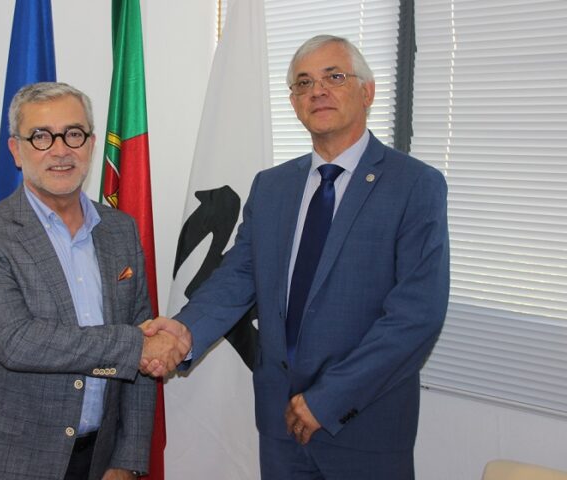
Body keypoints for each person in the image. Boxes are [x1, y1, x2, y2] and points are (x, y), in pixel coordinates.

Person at [144, 35, 450, 479]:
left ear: (367, 91)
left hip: (364, 425)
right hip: (279, 425)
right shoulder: (272, 186)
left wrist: (327, 400)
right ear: (293, 102)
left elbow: (416, 316)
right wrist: (184, 332)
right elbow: (239, 276)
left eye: (334, 77)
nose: (317, 91)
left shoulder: (414, 185)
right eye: (303, 83)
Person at [0, 82, 186, 480]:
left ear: (91, 144)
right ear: (16, 150)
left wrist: (126, 460)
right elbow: (18, 342)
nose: (60, 150)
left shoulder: (120, 230)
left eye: (73, 134)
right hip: (7, 463)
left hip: (98, 461)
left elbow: (141, 351)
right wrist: (137, 345)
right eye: (41, 136)